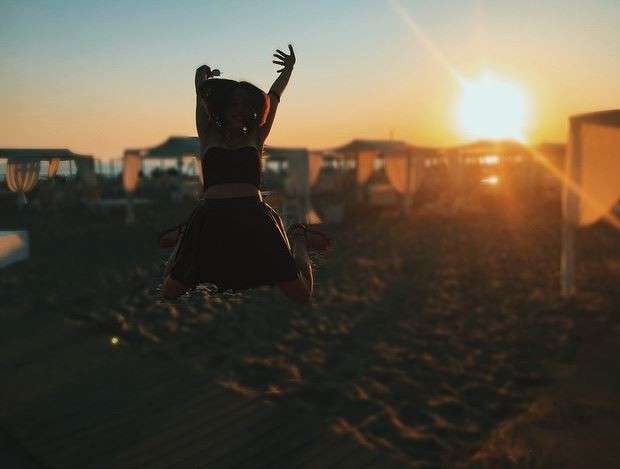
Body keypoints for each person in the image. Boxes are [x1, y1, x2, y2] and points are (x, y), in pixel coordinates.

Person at [160, 44, 330, 305]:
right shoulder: (208, 134)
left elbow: (273, 97)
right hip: (211, 216)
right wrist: (203, 73)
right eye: (234, 103)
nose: (239, 108)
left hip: (254, 216)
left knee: (302, 295)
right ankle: (184, 236)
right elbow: (199, 90)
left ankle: (298, 238)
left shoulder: (256, 136)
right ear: (223, 107)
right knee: (169, 291)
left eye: (245, 103)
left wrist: (288, 70)